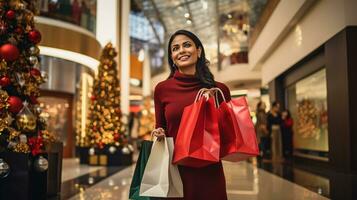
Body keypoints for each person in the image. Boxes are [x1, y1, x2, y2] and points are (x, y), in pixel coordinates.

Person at [152, 30, 231, 200]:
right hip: (176, 170)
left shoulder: (219, 90)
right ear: (172, 57)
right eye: (175, 48)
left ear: (199, 51)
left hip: (210, 170)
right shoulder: (162, 89)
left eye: (187, 45)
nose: (181, 50)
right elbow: (161, 126)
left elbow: (228, 134)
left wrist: (212, 106)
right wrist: (158, 133)